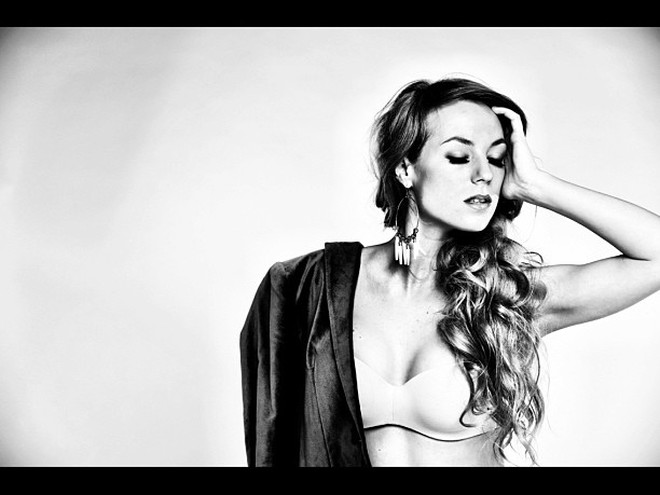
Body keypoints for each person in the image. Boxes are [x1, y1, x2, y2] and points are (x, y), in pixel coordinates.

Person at [239, 76, 660, 467]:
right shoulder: (306, 286)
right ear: (405, 168)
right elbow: (273, 436)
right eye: (459, 157)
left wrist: (536, 185)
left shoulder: (506, 294)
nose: (484, 174)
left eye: (497, 159)